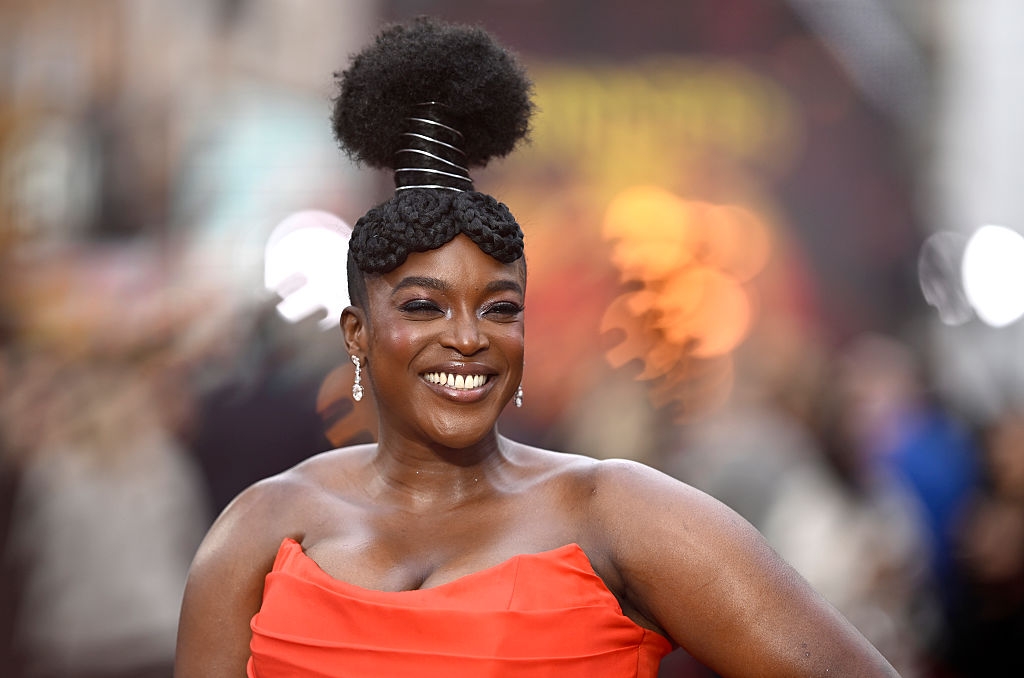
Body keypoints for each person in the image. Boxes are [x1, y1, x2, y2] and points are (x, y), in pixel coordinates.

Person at [174, 18, 901, 678]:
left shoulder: (620, 513)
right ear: (357, 335)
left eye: (499, 308)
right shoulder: (262, 531)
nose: (467, 337)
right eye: (425, 306)